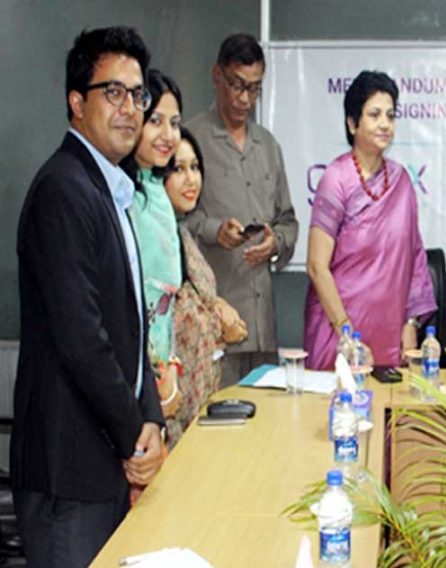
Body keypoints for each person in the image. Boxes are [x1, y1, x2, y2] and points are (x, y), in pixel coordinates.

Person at [12, 26, 164, 566]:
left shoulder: (111, 190)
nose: (130, 109)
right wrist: (135, 437)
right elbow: (83, 339)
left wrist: (152, 425)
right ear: (77, 103)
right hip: (68, 471)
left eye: (138, 94)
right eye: (113, 92)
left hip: (105, 462)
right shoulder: (62, 189)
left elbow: (131, 329)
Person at [186, 33, 298, 386]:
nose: (245, 98)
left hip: (263, 323)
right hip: (215, 321)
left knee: (264, 430)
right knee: (217, 432)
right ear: (217, 76)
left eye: (255, 88)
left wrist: (276, 243)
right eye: (237, 85)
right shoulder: (190, 140)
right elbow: (171, 223)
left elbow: (289, 221)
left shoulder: (267, 145)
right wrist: (213, 230)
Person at [304, 71, 436, 369]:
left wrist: (410, 323)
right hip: (338, 331)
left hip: (389, 331)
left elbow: (414, 258)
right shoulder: (336, 179)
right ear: (353, 123)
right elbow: (316, 266)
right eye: (374, 115)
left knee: (386, 411)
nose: (385, 124)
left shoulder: (401, 180)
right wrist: (346, 332)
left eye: (390, 116)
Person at [121, 69, 183, 424]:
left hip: (162, 364)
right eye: (156, 121)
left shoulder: (157, 189)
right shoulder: (125, 195)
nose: (168, 135)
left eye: (175, 123)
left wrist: (169, 367)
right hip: (136, 373)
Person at [163, 128, 233, 446]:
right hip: (168, 417)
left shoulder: (181, 233)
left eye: (195, 167)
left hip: (198, 412)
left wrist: (217, 307)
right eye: (178, 169)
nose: (191, 180)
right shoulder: (153, 241)